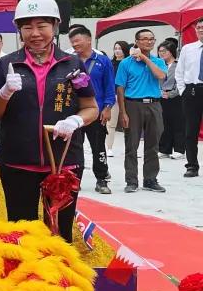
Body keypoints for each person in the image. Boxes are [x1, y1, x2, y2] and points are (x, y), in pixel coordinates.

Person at [0, 0, 98, 241]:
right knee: (20, 233)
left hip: (63, 163)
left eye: (42, 26)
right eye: (27, 27)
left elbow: (91, 107)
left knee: (59, 233)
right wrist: (4, 93)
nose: (35, 33)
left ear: (55, 27)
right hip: (17, 163)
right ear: (19, 30)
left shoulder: (72, 64)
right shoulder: (7, 64)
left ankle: (58, 279)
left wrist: (75, 121)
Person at [114, 29, 169, 193]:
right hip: (133, 105)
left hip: (154, 104)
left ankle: (150, 179)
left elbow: (160, 76)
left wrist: (145, 58)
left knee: (153, 144)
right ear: (136, 42)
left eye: (152, 39)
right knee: (131, 144)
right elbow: (120, 88)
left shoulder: (158, 61)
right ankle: (131, 180)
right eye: (144, 39)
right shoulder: (126, 63)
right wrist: (123, 112)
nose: (149, 42)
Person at [67, 26, 116, 194]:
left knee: (98, 147)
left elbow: (109, 86)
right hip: (75, 113)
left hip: (97, 111)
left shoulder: (103, 61)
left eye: (77, 40)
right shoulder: (69, 60)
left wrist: (108, 107)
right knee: (74, 147)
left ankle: (102, 179)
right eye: (72, 42)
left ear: (89, 40)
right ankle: (74, 180)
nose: (74, 44)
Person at [176, 19, 203, 178]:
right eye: (199, 27)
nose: (201, 30)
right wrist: (182, 91)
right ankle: (192, 165)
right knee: (190, 130)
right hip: (191, 92)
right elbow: (180, 72)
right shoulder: (188, 49)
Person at [157, 40, 186, 161]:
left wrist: (171, 94)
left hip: (176, 97)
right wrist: (160, 93)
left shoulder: (178, 64)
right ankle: (164, 149)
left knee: (178, 123)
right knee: (163, 123)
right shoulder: (158, 64)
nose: (162, 53)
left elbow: (181, 81)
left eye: (165, 51)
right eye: (160, 51)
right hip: (160, 97)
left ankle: (179, 149)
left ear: (171, 51)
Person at [106, 40, 130, 156]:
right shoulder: (110, 64)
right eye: (115, 48)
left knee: (129, 123)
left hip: (128, 96)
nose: (117, 51)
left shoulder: (130, 63)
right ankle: (109, 147)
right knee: (111, 123)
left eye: (119, 48)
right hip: (114, 97)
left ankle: (130, 147)